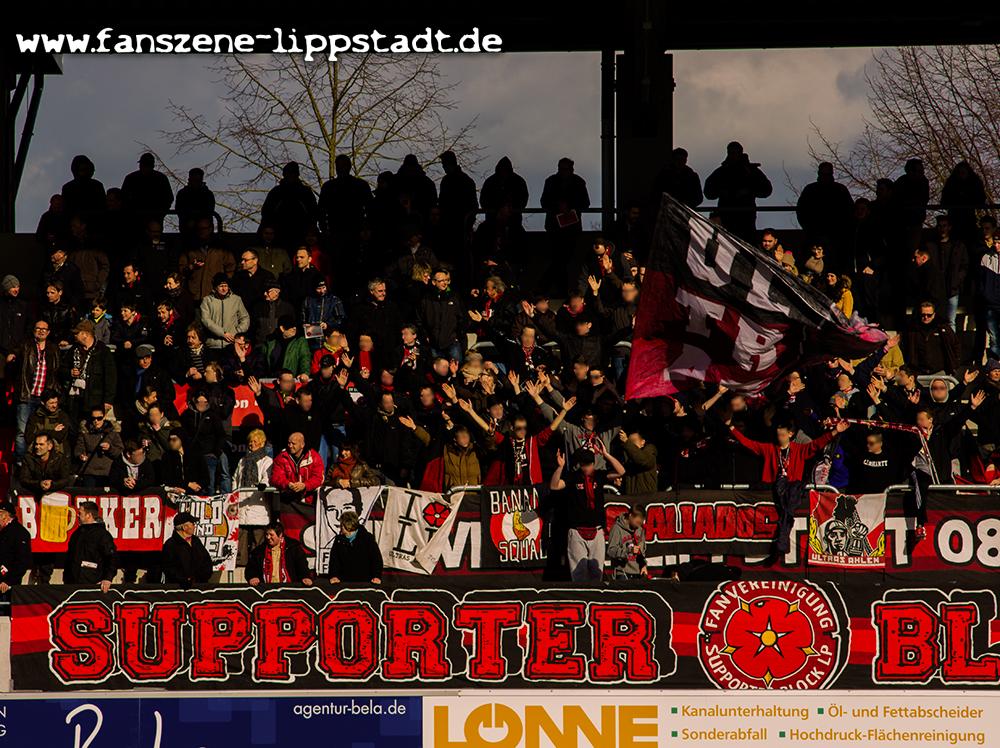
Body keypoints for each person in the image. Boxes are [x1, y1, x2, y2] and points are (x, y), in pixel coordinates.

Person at [728, 418, 849, 557]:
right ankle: (781, 543)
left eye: (782, 435)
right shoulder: (769, 449)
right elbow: (748, 444)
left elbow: (816, 444)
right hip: (773, 492)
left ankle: (782, 542)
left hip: (791, 492)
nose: (779, 438)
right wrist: (731, 428)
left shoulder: (799, 449)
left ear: (790, 434)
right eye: (778, 435)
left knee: (788, 508)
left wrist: (835, 431)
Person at [549, 447, 626, 583]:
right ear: (580, 464)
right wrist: (560, 467)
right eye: (583, 465)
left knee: (597, 572)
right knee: (578, 574)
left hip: (597, 530)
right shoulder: (573, 477)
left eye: (589, 464)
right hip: (576, 531)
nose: (586, 468)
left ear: (593, 463)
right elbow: (554, 486)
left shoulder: (599, 476)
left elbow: (621, 471)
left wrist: (606, 454)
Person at [703, 141, 773, 241]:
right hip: (728, 217)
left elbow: (767, 189)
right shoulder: (722, 172)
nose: (733, 155)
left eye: (735, 153)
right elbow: (708, 193)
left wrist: (749, 191)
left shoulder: (751, 171)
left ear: (740, 153)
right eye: (731, 153)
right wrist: (722, 191)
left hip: (745, 218)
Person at [795, 162, 854, 271]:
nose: (825, 176)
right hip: (815, 236)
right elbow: (801, 211)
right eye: (823, 173)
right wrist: (809, 229)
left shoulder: (840, 190)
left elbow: (849, 213)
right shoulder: (811, 190)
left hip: (836, 237)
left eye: (827, 174)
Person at [14, 320, 60, 460]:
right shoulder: (25, 345)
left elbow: (56, 371)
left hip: (44, 398)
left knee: (42, 431)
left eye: (44, 329)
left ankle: (38, 461)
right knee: (22, 431)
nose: (41, 331)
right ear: (34, 330)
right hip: (26, 395)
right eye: (38, 328)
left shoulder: (53, 348)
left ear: (48, 332)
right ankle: (21, 461)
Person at [61, 319, 117, 423]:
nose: (74, 336)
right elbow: (62, 369)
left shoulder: (103, 351)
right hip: (75, 399)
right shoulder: (74, 349)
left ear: (85, 334)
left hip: (95, 401)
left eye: (77, 333)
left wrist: (108, 400)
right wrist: (70, 372)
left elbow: (110, 378)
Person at [260, 161, 317, 249]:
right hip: (279, 235)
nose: (291, 176)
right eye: (289, 173)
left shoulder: (305, 192)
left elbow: (314, 214)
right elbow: (266, 214)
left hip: (301, 234)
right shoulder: (276, 192)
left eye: (293, 173)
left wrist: (310, 231)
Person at [65, 500, 118, 592]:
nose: (77, 515)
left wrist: (108, 578)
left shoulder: (102, 534)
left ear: (88, 515)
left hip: (93, 584)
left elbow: (112, 557)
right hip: (72, 584)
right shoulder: (76, 533)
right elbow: (70, 556)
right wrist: (66, 577)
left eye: (80, 513)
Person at [245, 521, 312, 586]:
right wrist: (252, 577)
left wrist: (305, 576)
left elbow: (302, 565)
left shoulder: (293, 548)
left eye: (271, 535)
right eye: (266, 534)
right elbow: (251, 567)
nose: (268, 537)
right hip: (266, 588)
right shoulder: (259, 550)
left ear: (280, 535)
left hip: (288, 587)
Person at [905, 301, 960, 376]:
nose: (926, 317)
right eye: (923, 315)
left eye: (929, 315)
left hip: (940, 372)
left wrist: (954, 364)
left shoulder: (943, 328)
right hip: (918, 372)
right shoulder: (912, 331)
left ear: (934, 315)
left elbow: (955, 345)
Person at [326, 510, 382, 584]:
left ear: (346, 525)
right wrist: (333, 576)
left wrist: (377, 576)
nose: (340, 527)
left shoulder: (367, 538)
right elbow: (334, 560)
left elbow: (376, 559)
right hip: (343, 581)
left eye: (341, 524)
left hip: (365, 581)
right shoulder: (339, 540)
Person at [73, 406, 124, 488]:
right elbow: (79, 448)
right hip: (89, 471)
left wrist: (110, 448)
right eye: (93, 418)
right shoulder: (85, 431)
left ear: (104, 417)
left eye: (99, 418)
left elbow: (120, 452)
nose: (96, 421)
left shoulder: (112, 432)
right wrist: (81, 455)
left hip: (107, 472)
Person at [160, 511, 213, 586]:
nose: (194, 526)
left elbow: (207, 561)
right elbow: (168, 568)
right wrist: (184, 580)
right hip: (179, 589)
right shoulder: (170, 545)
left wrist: (202, 577)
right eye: (193, 524)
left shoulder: (196, 541)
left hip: (200, 586)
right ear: (185, 527)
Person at [200, 273, 250, 350]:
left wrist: (237, 332)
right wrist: (222, 333)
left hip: (231, 344)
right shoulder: (207, 300)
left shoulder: (236, 299)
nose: (224, 289)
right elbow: (206, 320)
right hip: (213, 344)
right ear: (215, 287)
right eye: (221, 286)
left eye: (226, 286)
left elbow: (245, 318)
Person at [271, 431, 324, 504]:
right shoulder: (281, 458)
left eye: (293, 443)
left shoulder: (314, 457)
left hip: (310, 501)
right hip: (288, 500)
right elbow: (276, 477)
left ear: (302, 445)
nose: (290, 446)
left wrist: (305, 485)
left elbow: (318, 478)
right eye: (289, 443)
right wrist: (288, 484)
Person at [121, 152, 174, 224]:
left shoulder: (161, 178)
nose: (144, 167)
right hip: (135, 219)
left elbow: (168, 199)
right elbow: (123, 198)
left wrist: (159, 214)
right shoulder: (130, 178)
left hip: (153, 219)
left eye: (146, 165)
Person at [160, 430, 210, 495]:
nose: (171, 442)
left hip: (195, 493)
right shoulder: (167, 456)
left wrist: (190, 489)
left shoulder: (195, 455)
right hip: (175, 492)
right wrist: (188, 484)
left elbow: (205, 478)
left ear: (182, 440)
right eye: (169, 440)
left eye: (174, 440)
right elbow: (167, 479)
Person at [607, 504, 649, 580]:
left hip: (638, 573)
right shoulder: (617, 528)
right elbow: (611, 551)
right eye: (637, 522)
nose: (638, 525)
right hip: (622, 573)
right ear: (630, 516)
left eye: (640, 523)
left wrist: (643, 565)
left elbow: (642, 551)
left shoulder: (640, 529)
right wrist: (628, 550)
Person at [0, 502, 32, 594]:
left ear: (5, 515)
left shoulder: (20, 533)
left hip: (8, 585)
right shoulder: (2, 532)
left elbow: (22, 562)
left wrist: (8, 581)